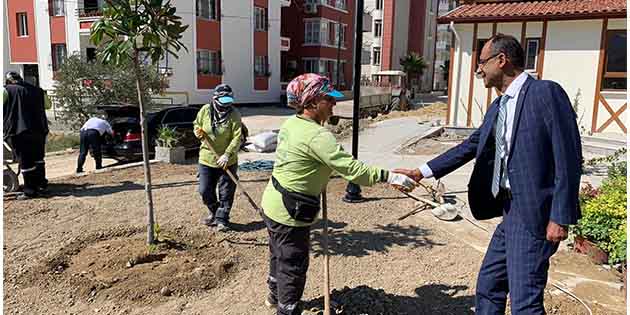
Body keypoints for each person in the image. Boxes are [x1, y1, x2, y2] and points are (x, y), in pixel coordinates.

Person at [396, 34, 582, 314]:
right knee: (489, 287)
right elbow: (471, 145)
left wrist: (559, 216)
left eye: (482, 62)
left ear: (501, 60)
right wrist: (421, 172)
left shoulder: (545, 93)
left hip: (535, 215)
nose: (478, 69)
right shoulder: (499, 106)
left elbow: (568, 157)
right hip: (509, 211)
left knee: (524, 303)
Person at [261, 73, 418, 315]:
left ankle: (273, 295)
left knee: (278, 255)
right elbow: (352, 170)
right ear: (312, 103)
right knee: (293, 265)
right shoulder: (317, 135)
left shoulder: (293, 123)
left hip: (273, 203)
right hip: (289, 212)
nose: (334, 103)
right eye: (328, 99)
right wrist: (390, 176)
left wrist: (316, 173)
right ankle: (287, 309)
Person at [193, 84, 243, 232]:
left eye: (229, 101)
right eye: (224, 102)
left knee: (226, 192)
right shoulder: (205, 111)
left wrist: (227, 154)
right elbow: (196, 124)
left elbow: (237, 137)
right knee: (204, 190)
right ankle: (215, 211)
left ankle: (222, 219)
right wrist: (198, 131)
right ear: (215, 99)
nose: (227, 105)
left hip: (228, 160)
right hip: (207, 159)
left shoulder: (234, 114)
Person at [3, 71, 49, 199]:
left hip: (19, 130)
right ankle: (41, 185)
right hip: (39, 130)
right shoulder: (38, 91)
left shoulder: (6, 90)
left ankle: (30, 191)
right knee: (38, 159)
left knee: (26, 161)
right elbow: (48, 106)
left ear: (8, 80)